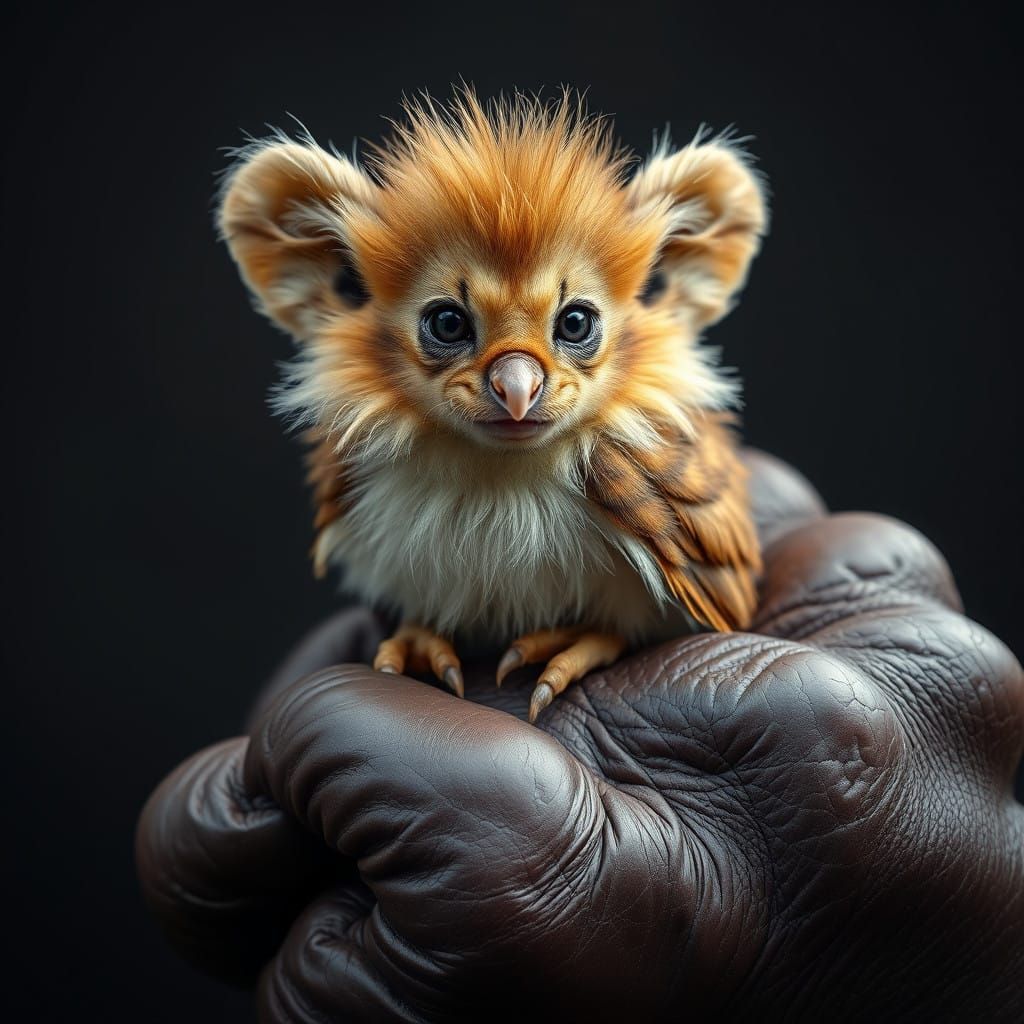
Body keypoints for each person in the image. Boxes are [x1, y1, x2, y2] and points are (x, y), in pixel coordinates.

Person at [136, 452, 1024, 1021]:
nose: (517, 381)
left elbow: (708, 580)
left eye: (567, 327)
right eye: (453, 325)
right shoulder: (371, 444)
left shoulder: (630, 448)